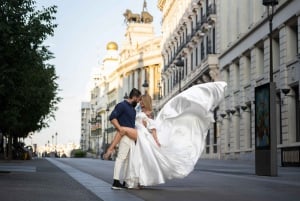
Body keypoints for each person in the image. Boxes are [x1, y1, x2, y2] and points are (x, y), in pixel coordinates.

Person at [103, 93, 159, 160]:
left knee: (122, 129)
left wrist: (156, 140)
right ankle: (112, 150)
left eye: (142, 100)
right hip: (136, 131)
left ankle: (110, 150)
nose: (140, 101)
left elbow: (153, 127)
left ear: (146, 101)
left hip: (142, 134)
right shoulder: (139, 111)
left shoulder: (149, 113)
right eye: (140, 100)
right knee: (121, 131)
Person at [108, 88, 141, 190]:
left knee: (127, 160)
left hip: (130, 137)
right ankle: (115, 182)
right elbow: (112, 117)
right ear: (134, 97)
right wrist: (120, 129)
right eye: (138, 99)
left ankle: (124, 181)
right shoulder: (122, 105)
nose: (139, 102)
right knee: (121, 158)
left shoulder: (133, 110)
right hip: (124, 136)